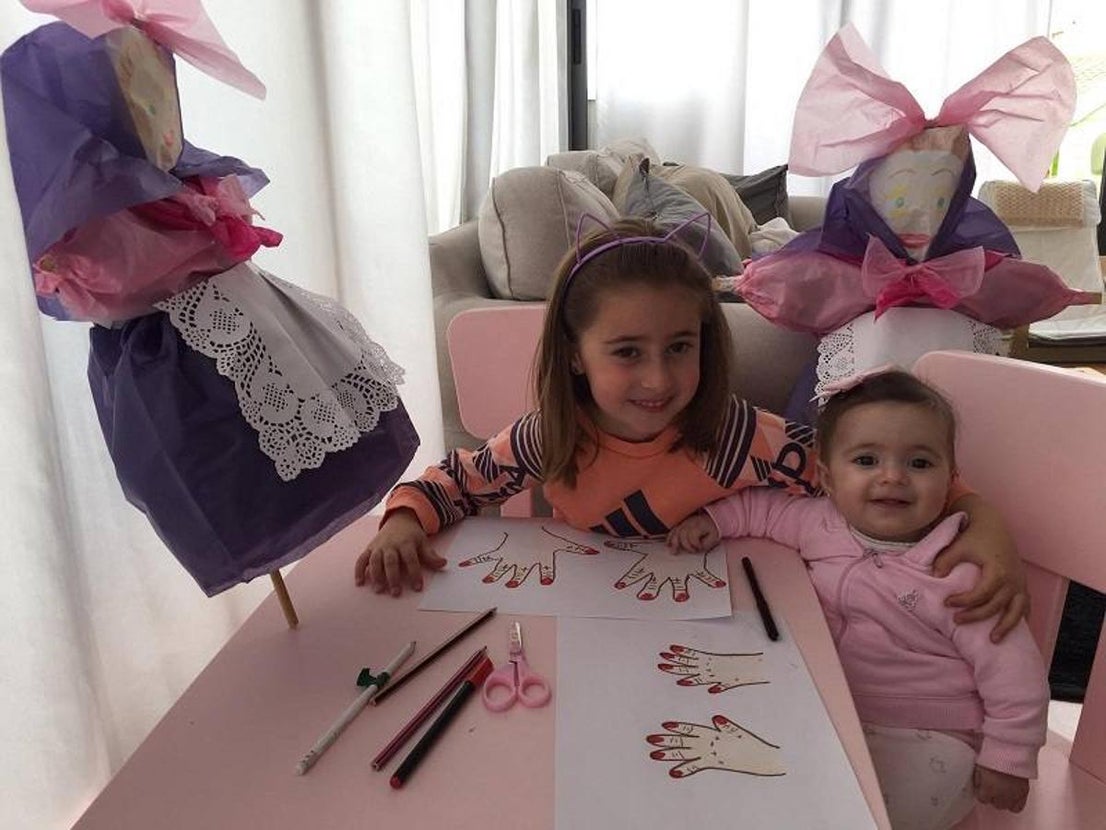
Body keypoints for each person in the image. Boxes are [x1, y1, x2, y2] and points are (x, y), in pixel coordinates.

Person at [355, 217, 1026, 638]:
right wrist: (404, 521)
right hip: (574, 633)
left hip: (717, 636)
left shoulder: (743, 438)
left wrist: (980, 516)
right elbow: (455, 482)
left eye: (680, 346)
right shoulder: (549, 437)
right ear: (574, 355)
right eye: (627, 352)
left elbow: (865, 477)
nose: (659, 379)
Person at [669, 368, 1048, 828]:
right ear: (828, 479)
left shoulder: (960, 570)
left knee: (858, 814)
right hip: (830, 709)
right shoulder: (820, 523)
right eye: (867, 460)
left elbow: (1016, 673)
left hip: (930, 734)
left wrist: (1009, 757)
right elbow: (762, 510)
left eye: (919, 464)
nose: (893, 477)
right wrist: (714, 522)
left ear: (950, 479)